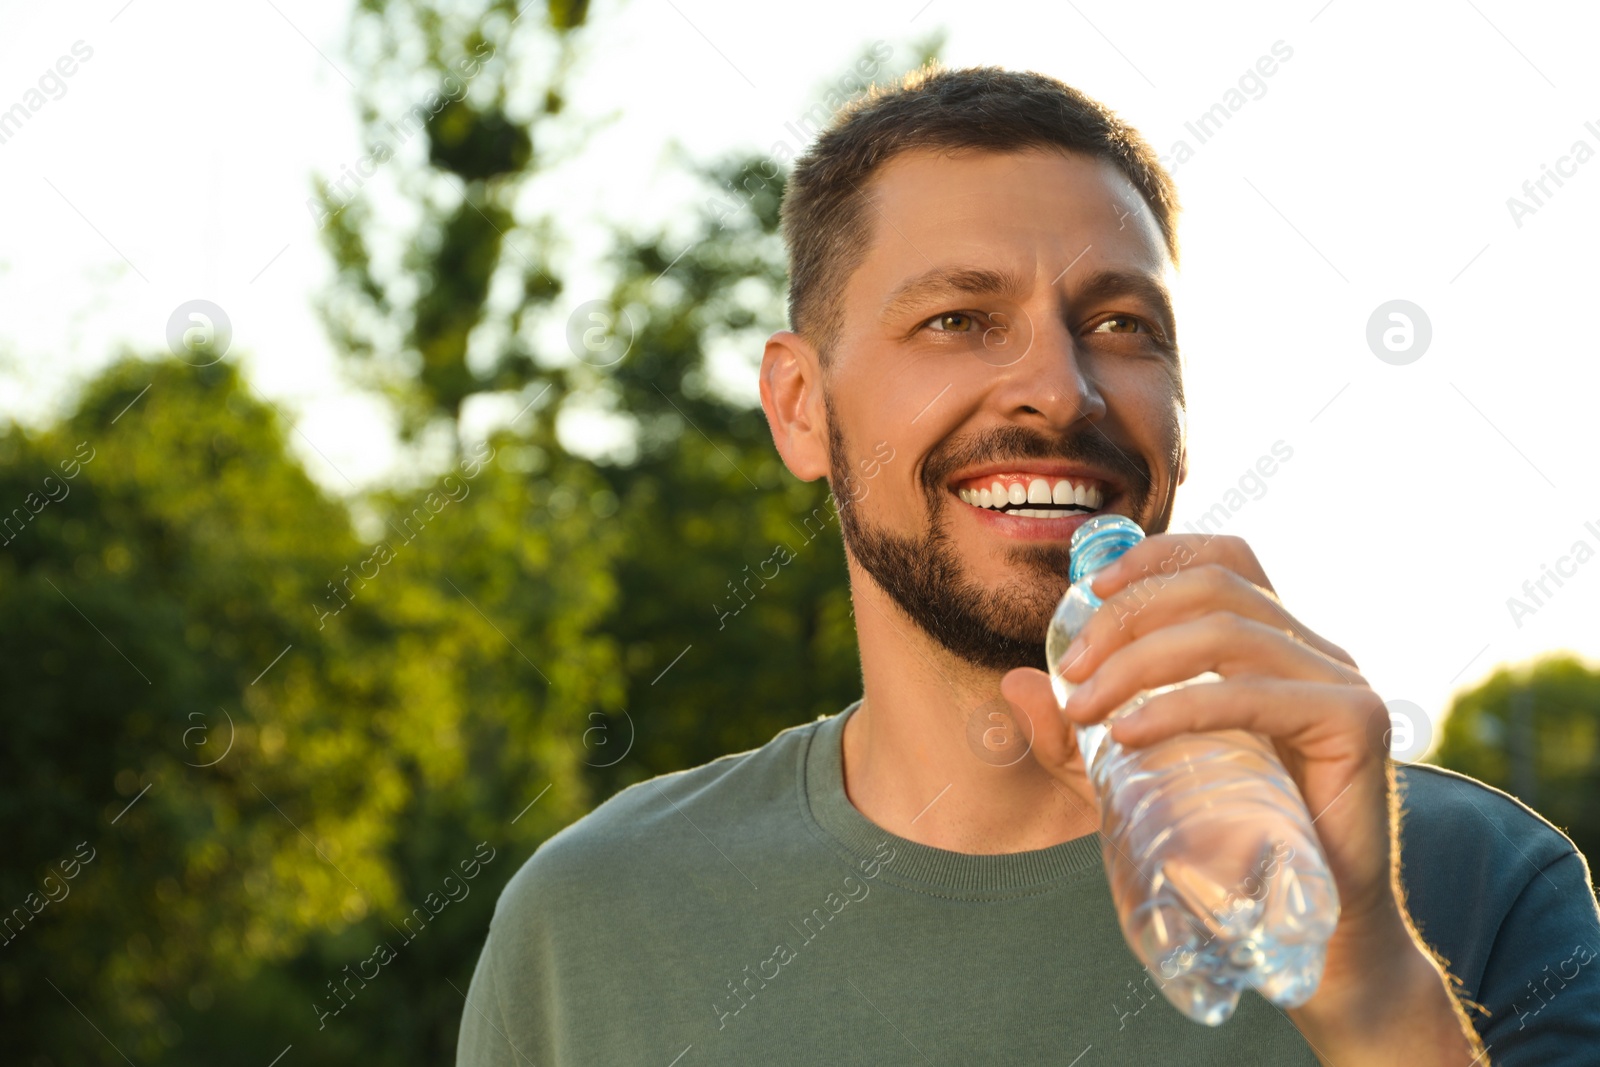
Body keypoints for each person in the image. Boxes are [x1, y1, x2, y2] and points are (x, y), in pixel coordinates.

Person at [456, 66, 1600, 1064]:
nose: (1060, 387)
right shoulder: (590, 923)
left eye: (1119, 324)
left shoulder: (1478, 880)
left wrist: (1374, 994)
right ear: (800, 408)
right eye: (958, 318)